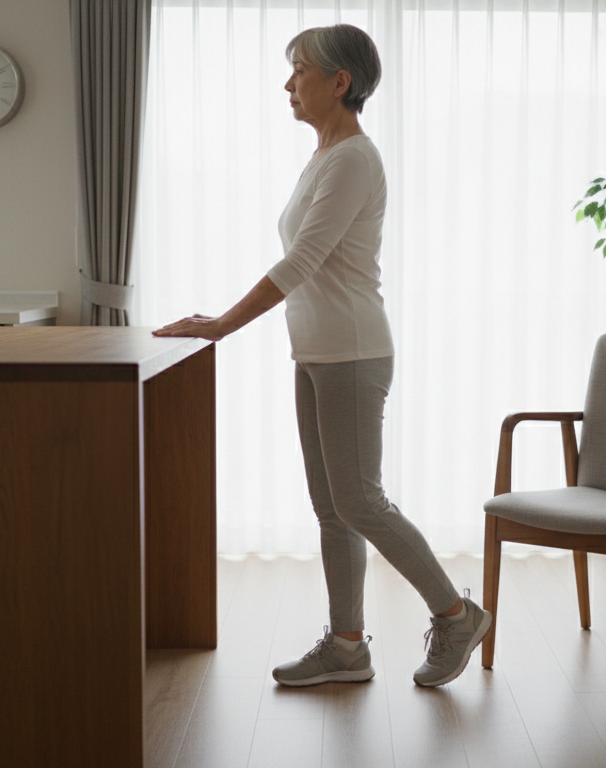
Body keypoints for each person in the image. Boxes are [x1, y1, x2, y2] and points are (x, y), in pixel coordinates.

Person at [154, 23, 491, 688]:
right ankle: (345, 646)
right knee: (333, 509)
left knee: (360, 502)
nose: (289, 83)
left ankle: (456, 614)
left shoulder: (352, 160)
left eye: (300, 70)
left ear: (340, 82)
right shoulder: (323, 156)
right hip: (316, 353)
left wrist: (222, 323)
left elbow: (302, 260)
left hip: (352, 354)